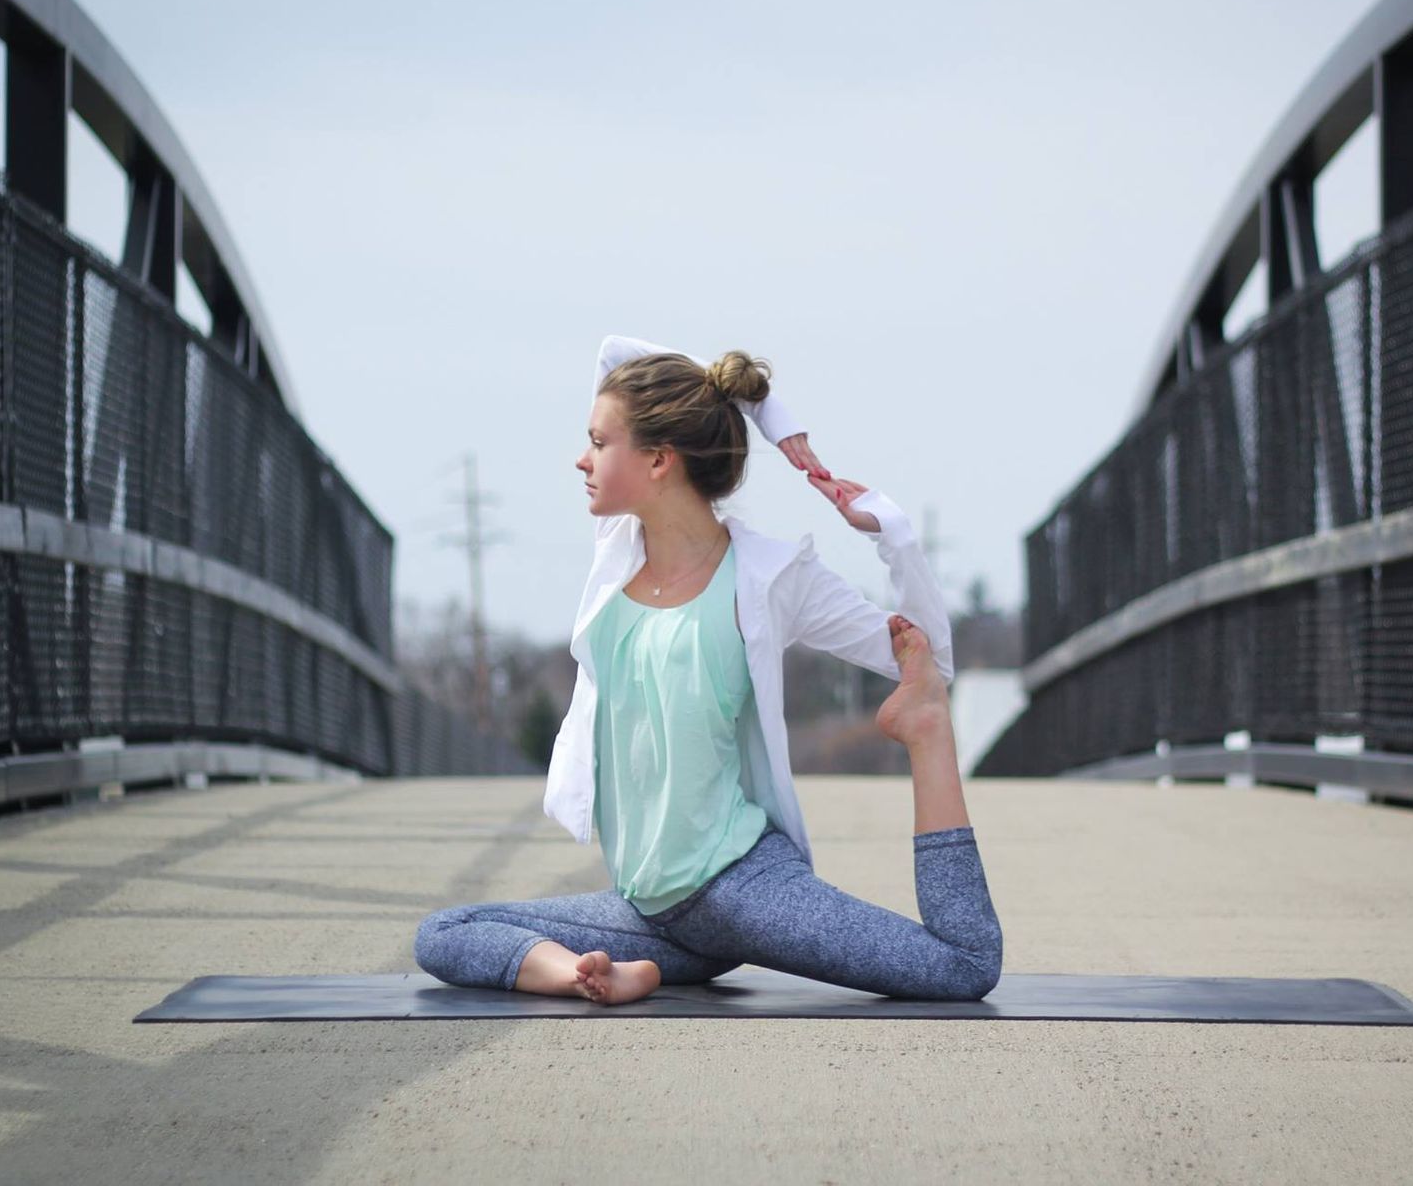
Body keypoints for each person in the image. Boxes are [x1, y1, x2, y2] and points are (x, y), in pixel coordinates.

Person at [413, 335, 1003, 1003]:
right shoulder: (616, 554)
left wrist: (887, 533)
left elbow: (928, 657)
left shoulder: (772, 576)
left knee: (962, 966)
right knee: (445, 931)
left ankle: (924, 733)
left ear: (660, 459)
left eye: (600, 444)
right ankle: (590, 976)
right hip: (649, 910)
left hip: (743, 888)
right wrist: (758, 407)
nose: (582, 459)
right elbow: (615, 352)